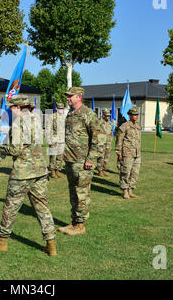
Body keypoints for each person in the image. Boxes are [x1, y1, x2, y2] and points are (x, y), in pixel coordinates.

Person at [0, 95, 57, 256]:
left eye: (11, 107)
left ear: (18, 107)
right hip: (39, 171)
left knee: (10, 208)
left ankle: (1, 241)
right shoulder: (36, 120)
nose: (10, 110)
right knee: (42, 207)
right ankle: (50, 243)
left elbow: (16, 150)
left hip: (23, 173)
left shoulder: (19, 123)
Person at [58, 87, 103, 236]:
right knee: (73, 192)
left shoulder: (88, 114)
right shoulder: (70, 114)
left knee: (82, 193)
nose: (68, 98)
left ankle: (80, 225)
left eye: (70, 96)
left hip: (83, 162)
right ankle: (74, 222)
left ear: (79, 97)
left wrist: (91, 158)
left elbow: (98, 138)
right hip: (70, 160)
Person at [115, 107, 141, 199]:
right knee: (125, 172)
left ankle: (131, 190)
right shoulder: (124, 126)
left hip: (137, 153)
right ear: (129, 115)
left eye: (137, 114)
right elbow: (119, 140)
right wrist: (119, 153)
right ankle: (125, 191)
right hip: (127, 153)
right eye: (134, 115)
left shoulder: (138, 126)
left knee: (135, 173)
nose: (136, 116)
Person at [48, 102, 66, 179]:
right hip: (54, 139)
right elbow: (48, 128)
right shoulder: (52, 117)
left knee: (60, 156)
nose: (61, 110)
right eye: (59, 108)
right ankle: (52, 171)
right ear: (56, 108)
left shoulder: (65, 117)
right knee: (53, 156)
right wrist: (48, 139)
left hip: (62, 139)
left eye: (62, 109)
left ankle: (57, 170)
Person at [97, 109, 113, 177]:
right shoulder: (99, 123)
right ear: (103, 116)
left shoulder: (111, 123)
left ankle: (104, 169)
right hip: (101, 142)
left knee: (107, 156)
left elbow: (111, 132)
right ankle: (100, 170)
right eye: (107, 116)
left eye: (109, 116)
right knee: (101, 156)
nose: (108, 117)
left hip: (108, 142)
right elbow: (96, 131)